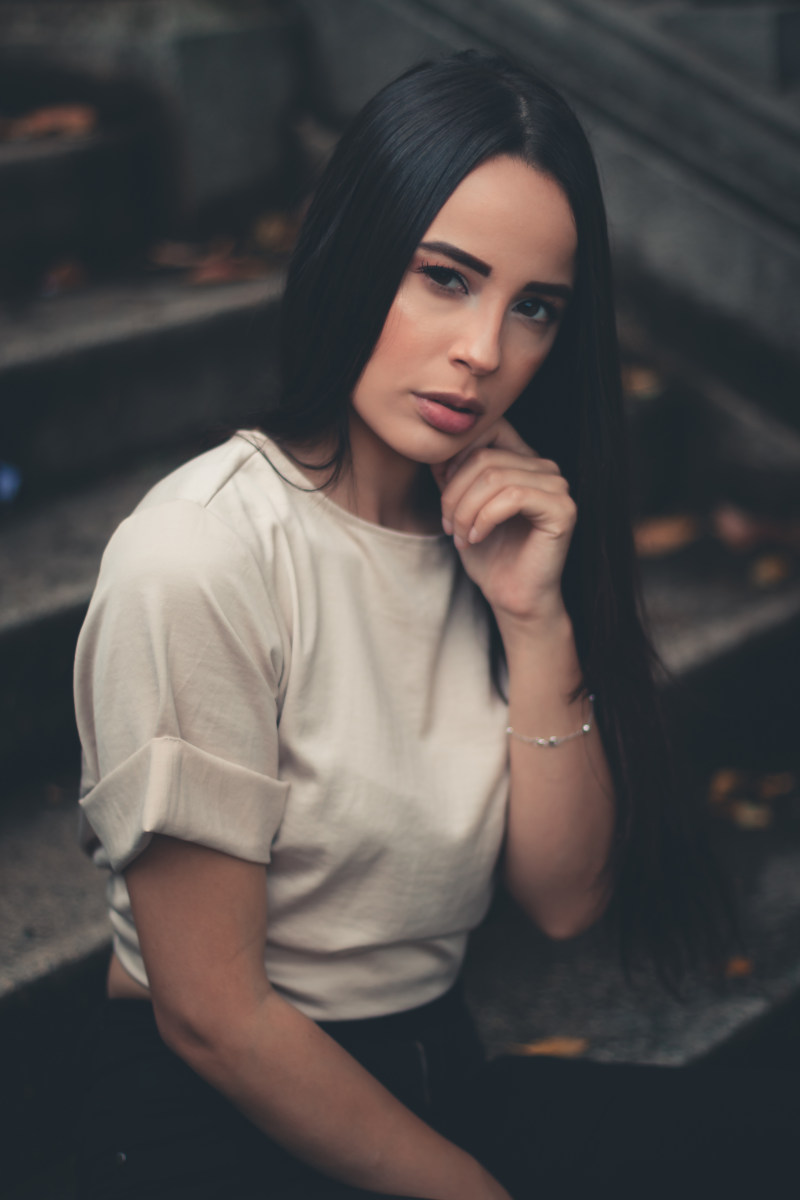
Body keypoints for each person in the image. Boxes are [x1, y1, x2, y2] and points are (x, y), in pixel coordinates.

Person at [73, 50, 790, 1200]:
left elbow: (565, 900)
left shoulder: (486, 527)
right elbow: (214, 1018)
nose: (484, 351)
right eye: (444, 278)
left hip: (434, 1068)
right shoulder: (201, 553)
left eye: (534, 309)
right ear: (354, 250)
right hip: (209, 1119)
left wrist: (534, 618)